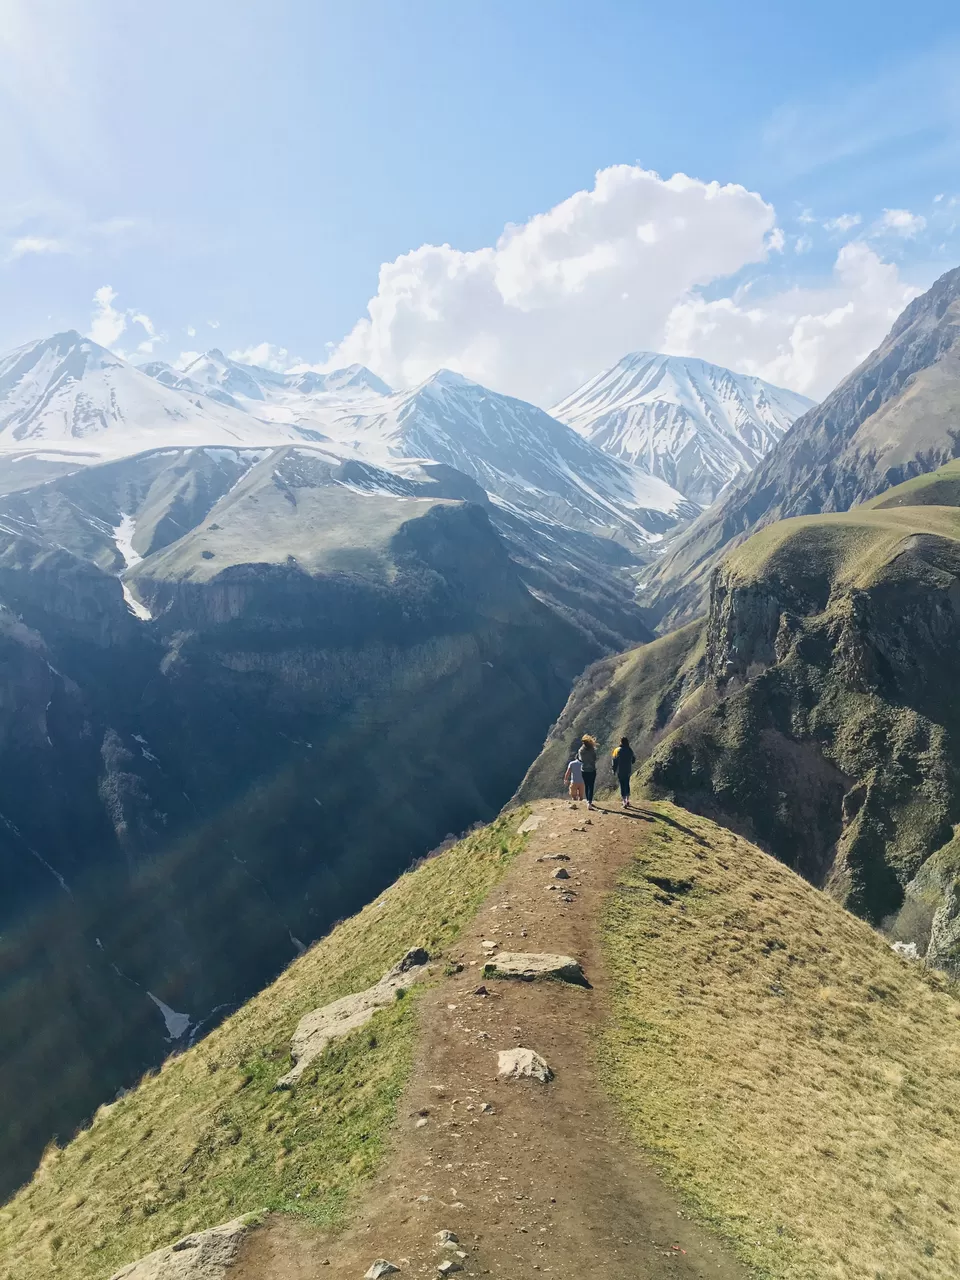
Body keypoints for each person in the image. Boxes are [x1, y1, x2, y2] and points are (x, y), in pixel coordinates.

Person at [612, 736, 636, 809]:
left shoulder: (616, 750)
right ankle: (628, 800)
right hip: (628, 770)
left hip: (620, 770)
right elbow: (633, 759)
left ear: (621, 742)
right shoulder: (630, 750)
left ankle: (624, 801)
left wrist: (614, 770)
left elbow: (614, 761)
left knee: (622, 784)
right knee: (627, 783)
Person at [578, 734, 598, 810]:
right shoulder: (592, 750)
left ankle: (587, 801)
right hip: (592, 769)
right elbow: (595, 758)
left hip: (584, 770)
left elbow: (580, 760)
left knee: (586, 785)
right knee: (591, 786)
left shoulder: (581, 750)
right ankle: (590, 801)